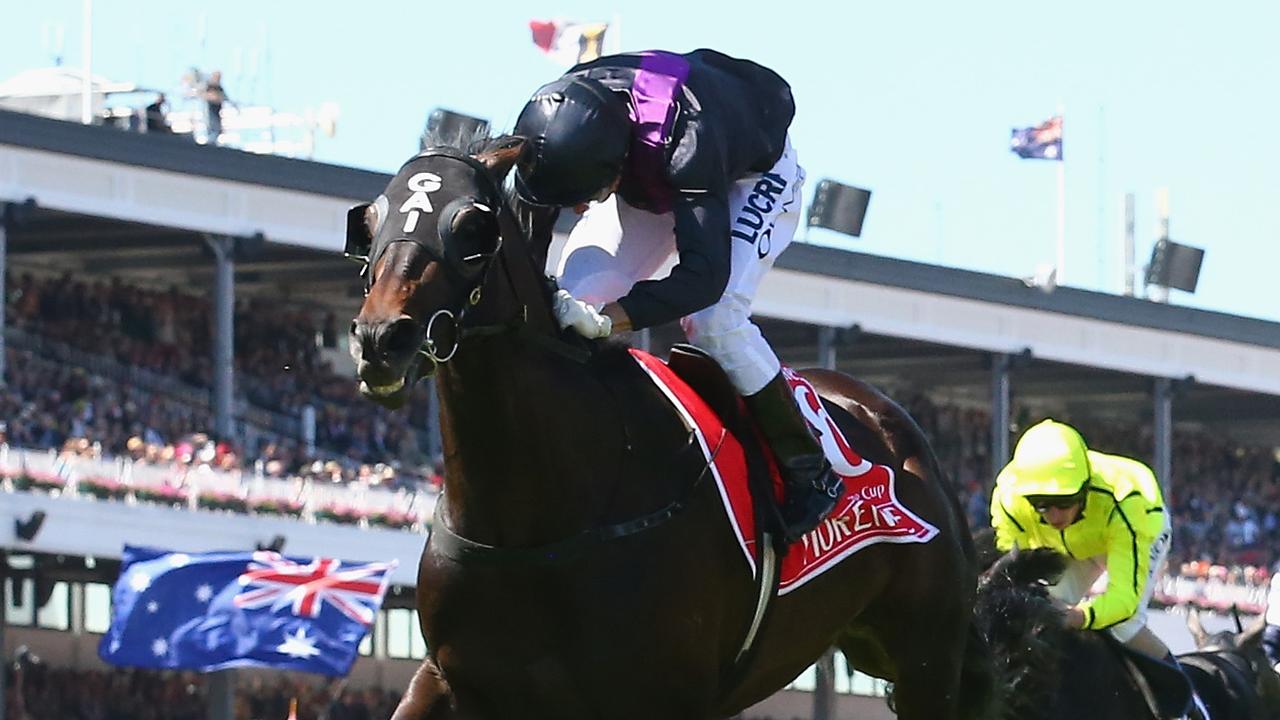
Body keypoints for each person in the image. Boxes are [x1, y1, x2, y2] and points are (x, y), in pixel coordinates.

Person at [512, 48, 841, 543]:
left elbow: (702, 278)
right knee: (580, 291)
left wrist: (610, 321)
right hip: (653, 170)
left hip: (745, 178)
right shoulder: (561, 112)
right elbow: (530, 228)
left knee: (714, 320)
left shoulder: (688, 142)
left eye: (582, 194)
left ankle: (810, 469)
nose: (576, 208)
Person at [990, 418, 1206, 717]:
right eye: (1041, 503)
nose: (1053, 514)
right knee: (1035, 614)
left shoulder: (1128, 501)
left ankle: (1188, 705)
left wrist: (1079, 617)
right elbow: (1011, 574)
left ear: (1085, 488)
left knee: (1121, 624)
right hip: (1071, 545)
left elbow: (1124, 602)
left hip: (1135, 528)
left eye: (1064, 502)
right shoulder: (1009, 496)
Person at [202, 70, 228, 144]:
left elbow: (224, 96)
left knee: (217, 127)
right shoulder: (210, 86)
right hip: (211, 111)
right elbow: (207, 96)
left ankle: (213, 141)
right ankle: (211, 141)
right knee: (213, 126)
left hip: (217, 111)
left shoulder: (218, 87)